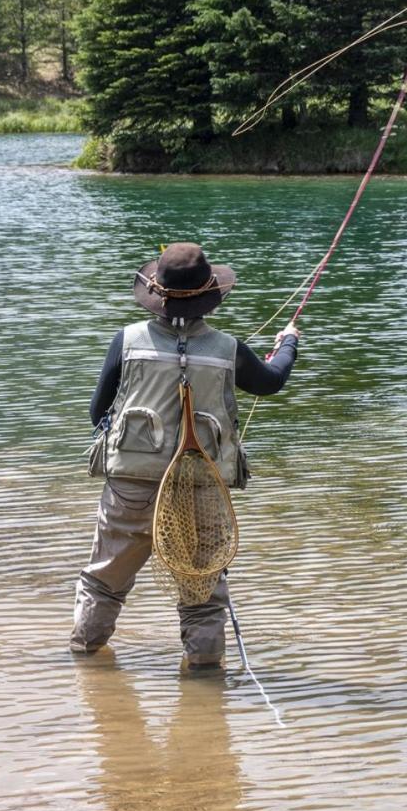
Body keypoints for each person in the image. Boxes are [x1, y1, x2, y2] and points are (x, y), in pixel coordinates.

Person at [70, 241, 299, 671]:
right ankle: (205, 682)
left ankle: (85, 661)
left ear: (157, 295)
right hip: (200, 486)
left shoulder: (127, 341)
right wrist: (287, 344)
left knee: (104, 581)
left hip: (129, 488)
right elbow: (271, 382)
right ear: (209, 298)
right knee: (202, 591)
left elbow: (96, 412)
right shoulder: (229, 350)